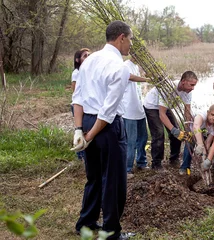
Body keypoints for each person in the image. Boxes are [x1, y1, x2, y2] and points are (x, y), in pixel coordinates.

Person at [71, 20, 148, 239]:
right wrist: (89, 135)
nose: (131, 44)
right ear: (121, 37)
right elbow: (108, 111)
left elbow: (77, 98)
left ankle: (85, 223)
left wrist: (80, 129)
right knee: (113, 179)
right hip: (107, 128)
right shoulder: (119, 68)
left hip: (87, 121)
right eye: (130, 39)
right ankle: (111, 232)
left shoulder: (90, 60)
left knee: (94, 176)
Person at [143, 71, 198, 170]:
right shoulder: (169, 89)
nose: (193, 88)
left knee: (178, 131)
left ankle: (174, 159)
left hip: (165, 107)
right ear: (183, 82)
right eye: (191, 85)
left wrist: (187, 129)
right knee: (159, 132)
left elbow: (187, 112)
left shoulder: (188, 92)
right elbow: (162, 114)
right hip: (152, 106)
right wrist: (173, 130)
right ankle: (156, 164)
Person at [179, 104, 214, 175]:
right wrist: (200, 144)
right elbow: (196, 126)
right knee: (189, 143)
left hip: (204, 135)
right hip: (193, 133)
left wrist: (204, 156)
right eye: (212, 115)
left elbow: (208, 142)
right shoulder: (201, 115)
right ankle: (185, 167)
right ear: (208, 112)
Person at [123, 57, 148, 180]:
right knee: (130, 141)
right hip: (129, 112)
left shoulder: (136, 67)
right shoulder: (125, 65)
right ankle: (127, 169)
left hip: (139, 110)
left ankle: (141, 162)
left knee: (143, 138)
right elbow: (129, 77)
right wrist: (147, 79)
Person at [71, 48, 90, 161]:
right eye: (85, 56)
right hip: (79, 105)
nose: (88, 57)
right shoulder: (77, 73)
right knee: (80, 128)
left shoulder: (88, 71)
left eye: (89, 55)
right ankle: (80, 155)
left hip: (87, 105)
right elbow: (76, 92)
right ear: (78, 60)